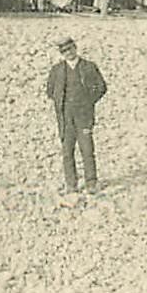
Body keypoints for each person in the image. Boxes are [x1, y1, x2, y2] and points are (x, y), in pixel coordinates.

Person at [46, 37, 109, 206]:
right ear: (61, 53)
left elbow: (101, 87)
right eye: (64, 51)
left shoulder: (89, 67)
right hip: (66, 118)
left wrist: (88, 102)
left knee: (87, 150)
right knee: (67, 152)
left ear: (75, 48)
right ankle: (71, 185)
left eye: (70, 49)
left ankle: (91, 183)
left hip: (84, 116)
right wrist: (62, 104)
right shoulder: (57, 70)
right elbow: (50, 91)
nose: (68, 53)